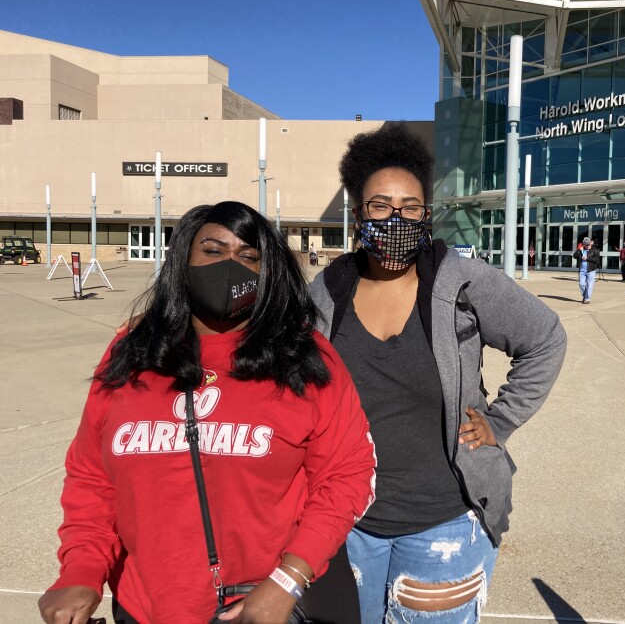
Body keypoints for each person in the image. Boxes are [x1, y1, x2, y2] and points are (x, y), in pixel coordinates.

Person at [38, 201, 376, 624]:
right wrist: (81, 571)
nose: (229, 266)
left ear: (267, 273)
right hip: (145, 606)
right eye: (213, 251)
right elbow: (92, 477)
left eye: (248, 256)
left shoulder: (305, 358)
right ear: (183, 260)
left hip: (260, 605)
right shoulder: (134, 349)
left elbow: (347, 476)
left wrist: (287, 580)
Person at [309, 123, 567, 623]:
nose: (396, 217)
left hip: (443, 520)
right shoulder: (328, 291)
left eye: (410, 206)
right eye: (380, 205)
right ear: (357, 211)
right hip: (347, 522)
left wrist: (502, 421)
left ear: (427, 214)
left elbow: (545, 338)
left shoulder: (463, 282)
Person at [575, 236, 600, 304]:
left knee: (589, 285)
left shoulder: (595, 250)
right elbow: (574, 256)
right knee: (581, 284)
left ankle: (587, 299)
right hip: (582, 270)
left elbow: (597, 260)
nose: (588, 246)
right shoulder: (582, 249)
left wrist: (587, 258)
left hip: (591, 270)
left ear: (590, 243)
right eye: (586, 245)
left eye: (589, 244)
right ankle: (585, 295)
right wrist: (578, 250)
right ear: (584, 244)